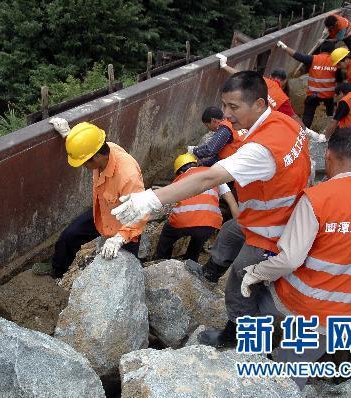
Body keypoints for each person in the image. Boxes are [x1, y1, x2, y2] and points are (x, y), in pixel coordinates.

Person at [111, 71, 311, 347]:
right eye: (225, 106)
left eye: (234, 107)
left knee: (240, 283)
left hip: (273, 228)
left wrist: (151, 199)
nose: (227, 115)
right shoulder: (284, 123)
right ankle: (211, 270)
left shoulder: (261, 150)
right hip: (277, 211)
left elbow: (207, 178)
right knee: (229, 232)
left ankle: (238, 337)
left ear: (259, 104)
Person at [239, 128, 351, 389]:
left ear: (328, 156)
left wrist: (256, 272)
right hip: (348, 312)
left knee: (283, 372)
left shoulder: (317, 199)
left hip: (302, 306)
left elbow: (289, 260)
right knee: (298, 363)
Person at [32, 119, 146, 278]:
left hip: (124, 226)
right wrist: (69, 135)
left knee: (123, 269)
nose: (83, 166)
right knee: (69, 236)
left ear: (97, 157)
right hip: (104, 212)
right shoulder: (102, 151)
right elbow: (87, 145)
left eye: (84, 163)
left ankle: (138, 273)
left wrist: (119, 239)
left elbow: (140, 214)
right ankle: (57, 272)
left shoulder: (128, 176)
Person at [154, 153, 239, 262]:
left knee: (167, 235)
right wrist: (238, 230)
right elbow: (232, 204)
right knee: (198, 240)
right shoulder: (212, 174)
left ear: (180, 172)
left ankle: (161, 260)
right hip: (210, 223)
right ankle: (191, 262)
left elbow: (168, 202)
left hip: (183, 221)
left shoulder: (181, 179)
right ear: (196, 164)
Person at [216, 54, 301, 123]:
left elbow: (240, 74)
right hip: (260, 124)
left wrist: (224, 66)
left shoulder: (262, 80)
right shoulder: (283, 99)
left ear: (271, 76)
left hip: (244, 117)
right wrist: (307, 132)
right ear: (284, 81)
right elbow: (294, 117)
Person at [276, 41, 337, 128]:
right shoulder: (335, 62)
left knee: (307, 117)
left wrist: (284, 47)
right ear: (332, 51)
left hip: (313, 95)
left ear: (321, 50)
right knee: (330, 113)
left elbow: (297, 55)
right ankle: (330, 124)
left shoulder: (313, 59)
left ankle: (304, 133)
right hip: (328, 96)